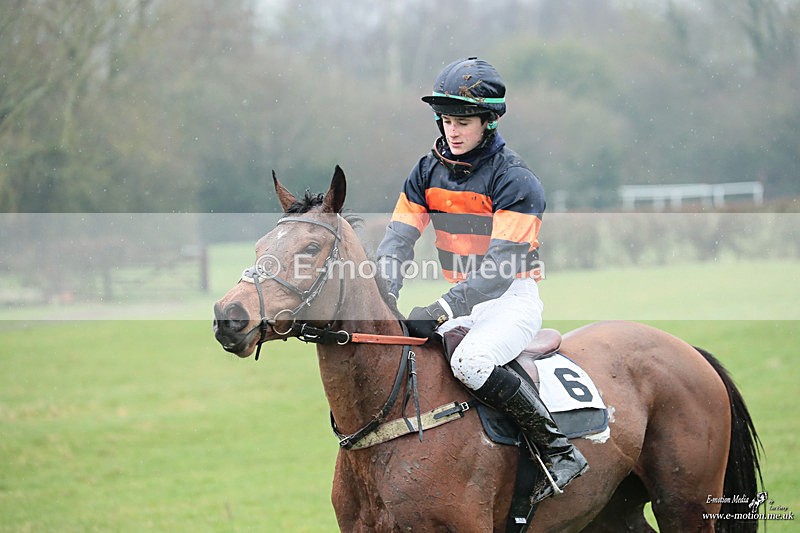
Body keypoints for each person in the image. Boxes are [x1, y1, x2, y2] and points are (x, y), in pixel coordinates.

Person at [375, 57, 587, 502]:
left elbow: (500, 268)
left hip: (511, 299)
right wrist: (384, 294)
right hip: (463, 302)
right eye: (447, 120)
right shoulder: (425, 172)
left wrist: (441, 309)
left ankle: (559, 450)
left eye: (464, 122)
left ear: (489, 121)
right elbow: (397, 241)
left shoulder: (515, 179)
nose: (452, 131)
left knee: (470, 363)